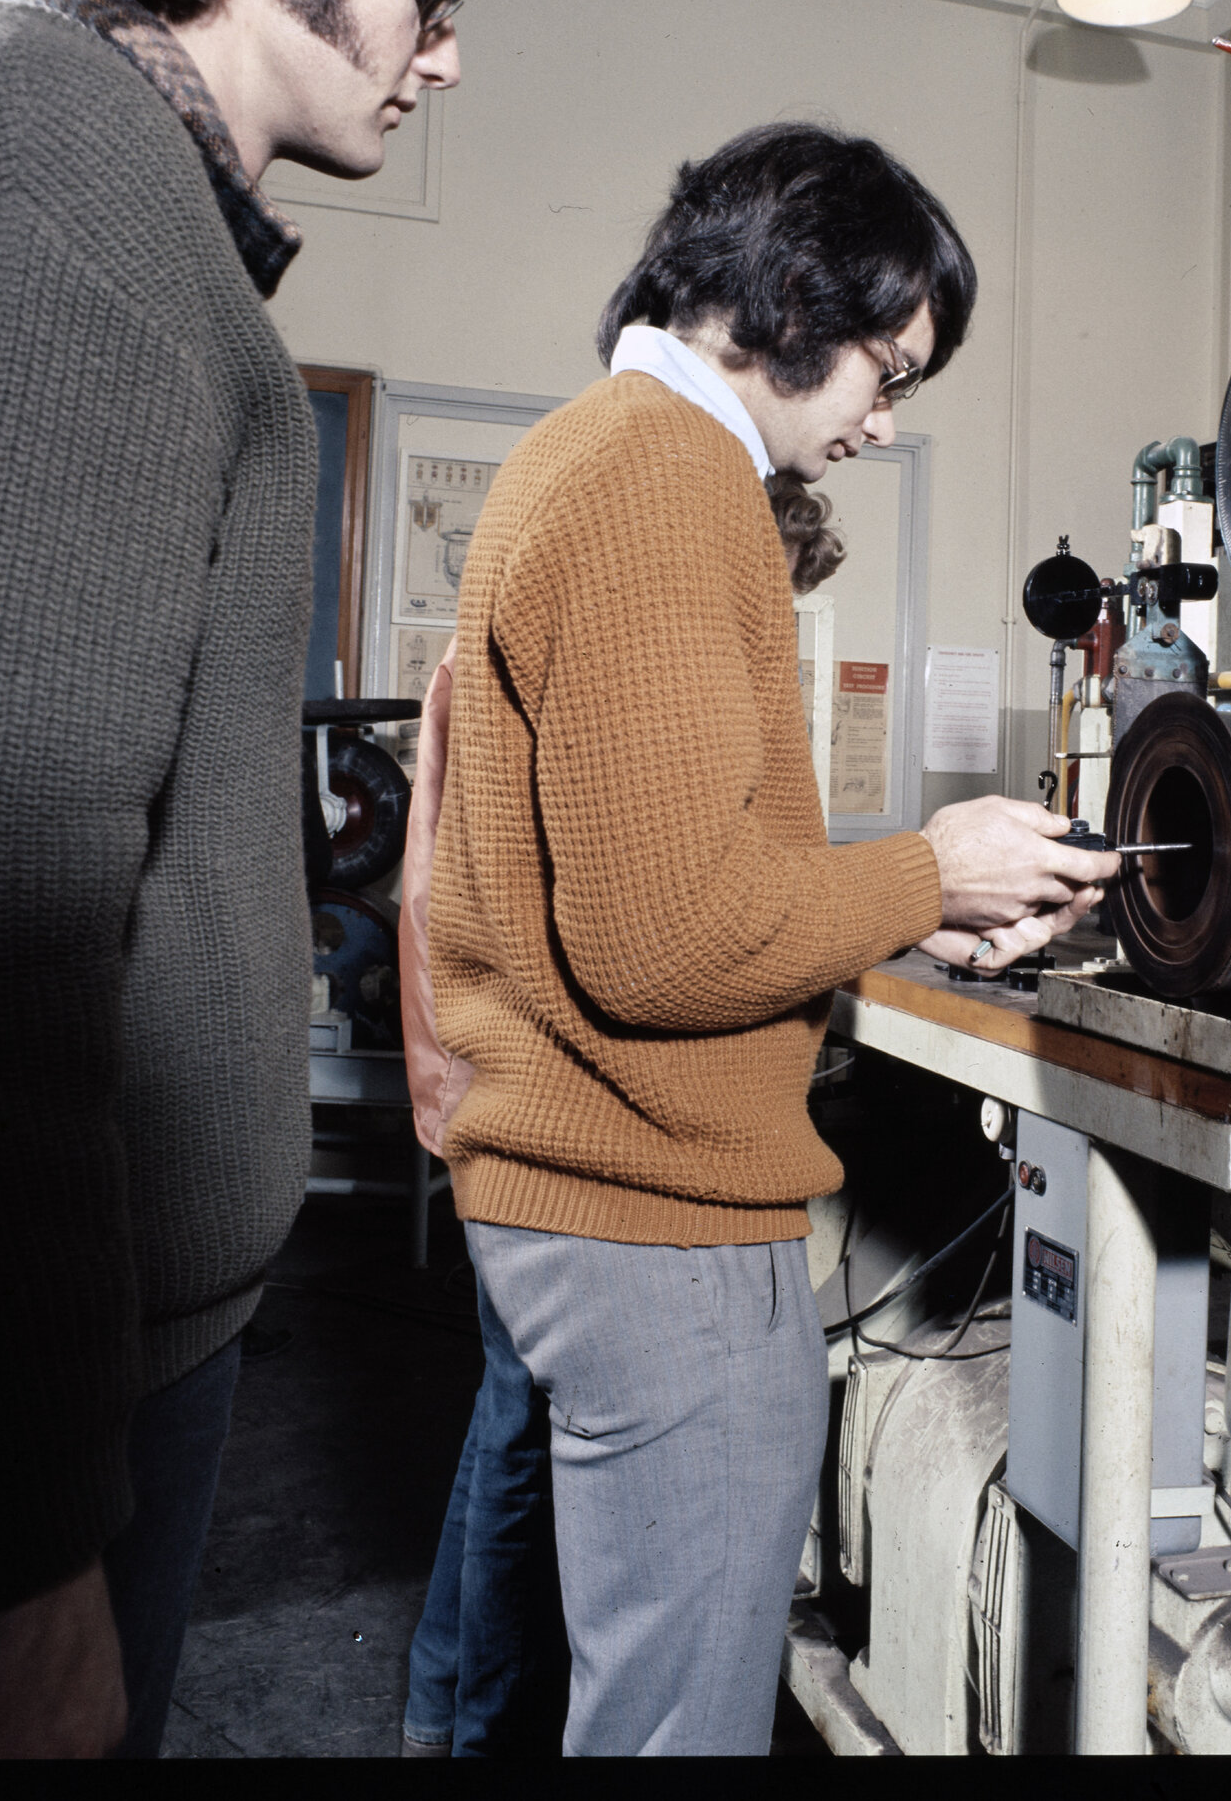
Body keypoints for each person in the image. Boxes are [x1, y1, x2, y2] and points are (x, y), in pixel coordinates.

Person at [0, 0, 523, 1760]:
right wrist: (26, 1555)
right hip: (29, 1429)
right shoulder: (55, 181)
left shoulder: (63, 166)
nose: (446, 52)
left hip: (88, 1367)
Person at [426, 122, 1120, 1755]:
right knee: (677, 1726)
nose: (883, 421)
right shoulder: (664, 479)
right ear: (794, 297)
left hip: (612, 1197)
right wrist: (927, 872)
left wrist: (916, 910)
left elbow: (687, 872)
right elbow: (664, 936)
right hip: (649, 1223)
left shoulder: (610, 456)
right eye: (888, 368)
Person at [396, 477, 848, 1758]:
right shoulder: (607, 623)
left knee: (511, 1429)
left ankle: (444, 1705)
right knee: (513, 1437)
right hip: (524, 1116)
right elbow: (625, 927)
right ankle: (473, 1729)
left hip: (499, 1097)